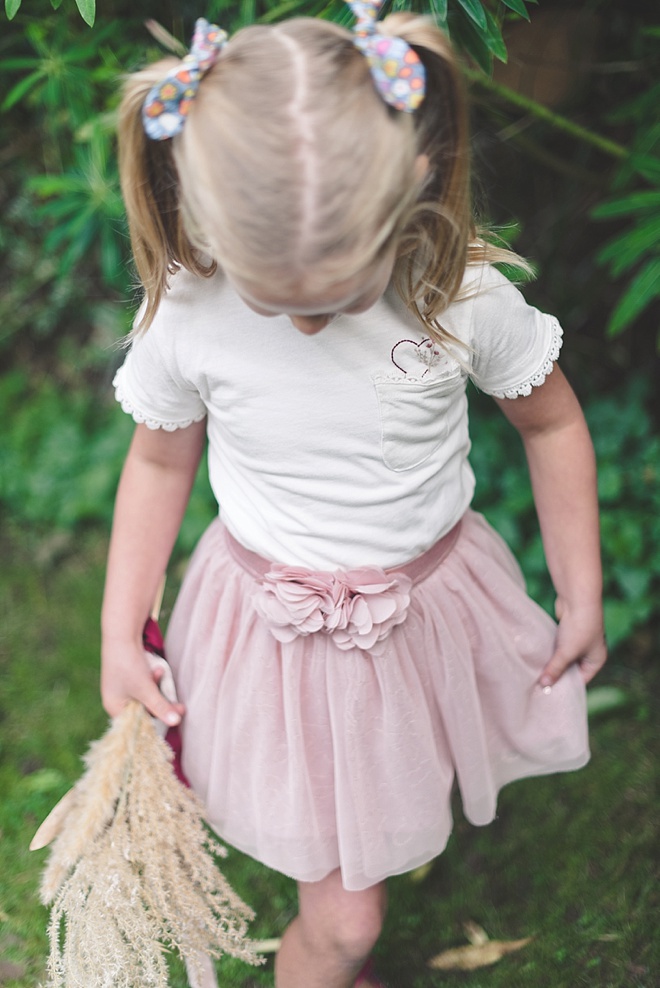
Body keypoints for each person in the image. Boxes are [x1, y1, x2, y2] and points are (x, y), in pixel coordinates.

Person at [101, 6, 607, 987]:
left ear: (411, 184)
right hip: (272, 632)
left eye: (336, 293)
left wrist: (578, 585)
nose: (304, 322)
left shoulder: (458, 295)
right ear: (207, 223)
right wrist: (125, 626)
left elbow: (551, 423)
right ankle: (330, 956)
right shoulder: (191, 308)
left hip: (424, 613)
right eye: (273, 297)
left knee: (393, 794)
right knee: (346, 923)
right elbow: (159, 463)